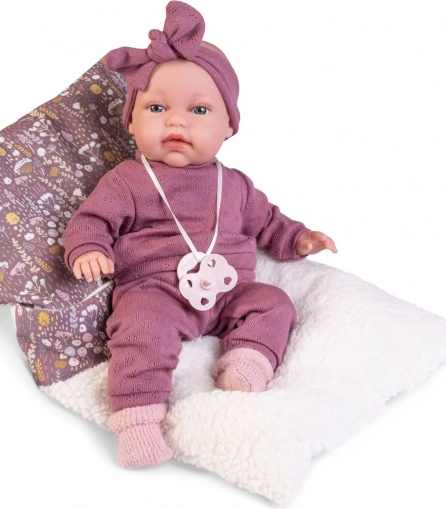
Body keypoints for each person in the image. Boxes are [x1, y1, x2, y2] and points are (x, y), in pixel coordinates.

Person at [62, 1, 337, 468]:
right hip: (157, 291)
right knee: (140, 328)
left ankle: (246, 361)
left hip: (229, 292)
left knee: (274, 302)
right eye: (156, 108)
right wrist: (88, 248)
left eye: (199, 109)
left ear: (228, 126)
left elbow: (269, 222)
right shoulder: (128, 180)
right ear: (131, 121)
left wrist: (299, 238)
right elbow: (92, 220)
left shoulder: (236, 185)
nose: (176, 121)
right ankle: (138, 422)